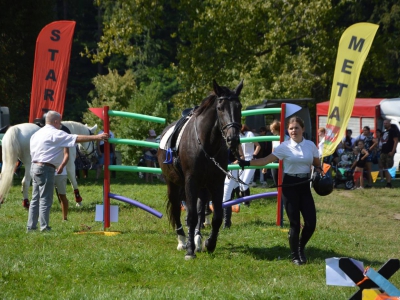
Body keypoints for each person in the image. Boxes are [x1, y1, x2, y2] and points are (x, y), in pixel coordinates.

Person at [238, 116, 322, 265]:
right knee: (295, 223)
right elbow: (265, 160)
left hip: (305, 185)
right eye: (291, 128)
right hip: (289, 186)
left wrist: (319, 172)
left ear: (303, 129)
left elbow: (317, 164)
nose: (294, 131)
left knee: (311, 223)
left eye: (296, 127)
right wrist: (246, 162)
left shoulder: (311, 145)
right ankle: (295, 256)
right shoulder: (284, 146)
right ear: (287, 131)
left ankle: (300, 247)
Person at [27, 110, 109, 232]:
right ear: (55, 121)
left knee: (35, 199)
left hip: (34, 167)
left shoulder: (36, 134)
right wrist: (97, 137)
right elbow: (76, 138)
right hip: (46, 168)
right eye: (59, 121)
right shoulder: (56, 133)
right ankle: (44, 227)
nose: (61, 124)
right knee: (46, 199)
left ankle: (31, 227)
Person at [239, 124, 260, 205]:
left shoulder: (249, 134)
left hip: (250, 160)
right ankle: (243, 201)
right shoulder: (237, 135)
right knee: (240, 183)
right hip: (242, 161)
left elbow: (258, 146)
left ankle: (247, 202)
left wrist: (254, 155)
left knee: (245, 182)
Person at [380, 119, 399, 188]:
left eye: (386, 123)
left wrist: (392, 151)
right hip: (383, 151)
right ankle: (387, 181)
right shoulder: (385, 132)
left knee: (389, 167)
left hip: (389, 152)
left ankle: (389, 182)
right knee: (384, 167)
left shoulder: (393, 131)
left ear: (389, 124)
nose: (385, 124)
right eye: (384, 123)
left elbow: (395, 141)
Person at [54, 148, 69, 220]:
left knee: (62, 196)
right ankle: (41, 218)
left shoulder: (63, 138)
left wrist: (62, 166)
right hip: (48, 172)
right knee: (45, 197)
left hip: (61, 173)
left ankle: (65, 218)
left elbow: (67, 154)